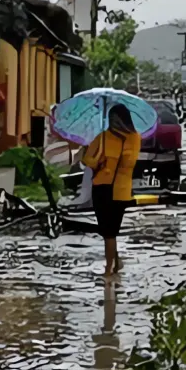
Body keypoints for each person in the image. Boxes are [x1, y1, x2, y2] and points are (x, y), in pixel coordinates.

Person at [81, 105, 141, 276]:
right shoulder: (102, 138)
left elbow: (130, 162)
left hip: (120, 189)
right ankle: (114, 262)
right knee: (106, 230)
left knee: (111, 230)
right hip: (101, 187)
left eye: (117, 119)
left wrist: (114, 156)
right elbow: (87, 160)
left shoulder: (134, 138)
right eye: (111, 119)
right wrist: (97, 161)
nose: (114, 123)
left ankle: (110, 267)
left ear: (125, 120)